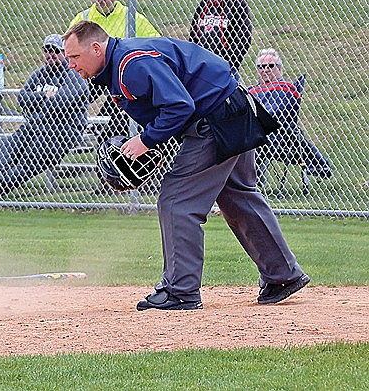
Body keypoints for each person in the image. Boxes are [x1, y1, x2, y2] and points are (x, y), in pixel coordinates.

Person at [62, 20, 310, 310]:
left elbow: (180, 105)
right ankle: (283, 275)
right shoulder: (118, 65)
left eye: (75, 57)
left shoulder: (131, 64)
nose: (71, 65)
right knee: (239, 197)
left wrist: (146, 140)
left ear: (96, 48)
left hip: (217, 118)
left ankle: (181, 291)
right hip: (230, 111)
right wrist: (156, 142)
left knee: (176, 200)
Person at [0, 34, 90, 199]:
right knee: (10, 145)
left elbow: (62, 103)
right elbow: (23, 99)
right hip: (36, 125)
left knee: (31, 157)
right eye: (47, 51)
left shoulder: (73, 74)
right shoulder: (39, 73)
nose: (51, 55)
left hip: (63, 130)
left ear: (65, 53)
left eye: (56, 51)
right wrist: (44, 96)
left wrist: (39, 99)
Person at [69, 0, 162, 144]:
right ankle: (75, 127)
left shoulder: (131, 16)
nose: (101, 0)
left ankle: (106, 133)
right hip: (91, 73)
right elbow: (69, 45)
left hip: (119, 72)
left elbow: (154, 40)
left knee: (118, 98)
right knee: (75, 96)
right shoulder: (84, 18)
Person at [247, 48, 332, 185]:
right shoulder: (251, 91)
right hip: (253, 134)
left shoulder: (287, 88)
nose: (265, 69)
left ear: (279, 68)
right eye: (261, 67)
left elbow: (278, 112)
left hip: (280, 138)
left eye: (270, 66)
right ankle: (248, 181)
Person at [190, 0, 253, 72]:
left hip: (225, 65)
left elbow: (244, 37)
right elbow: (193, 36)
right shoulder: (205, 4)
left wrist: (229, 63)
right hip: (202, 64)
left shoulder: (237, 2)